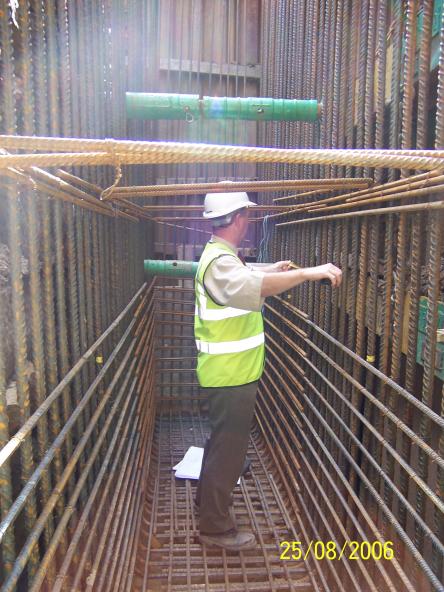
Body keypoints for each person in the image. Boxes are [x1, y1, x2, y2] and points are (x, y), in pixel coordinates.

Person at [194, 183, 342, 551]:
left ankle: (207, 506)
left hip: (229, 373)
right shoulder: (218, 264)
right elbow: (248, 284)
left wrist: (272, 268)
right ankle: (215, 529)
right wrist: (308, 272)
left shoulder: (220, 256)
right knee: (228, 452)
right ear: (238, 219)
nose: (249, 221)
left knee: (222, 446)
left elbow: (245, 275)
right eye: (247, 215)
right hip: (230, 376)